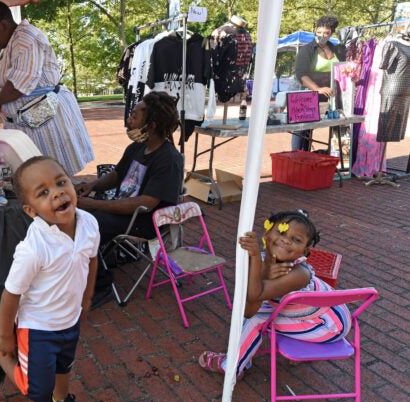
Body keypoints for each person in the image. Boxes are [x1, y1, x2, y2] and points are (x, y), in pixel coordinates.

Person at [0, 156, 99, 402]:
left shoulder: (89, 223)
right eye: (43, 192)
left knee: (63, 367)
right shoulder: (34, 249)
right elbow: (11, 293)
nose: (56, 193)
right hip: (38, 328)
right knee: (37, 391)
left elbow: (92, 260)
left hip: (70, 319)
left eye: (60, 182)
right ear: (31, 210)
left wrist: (87, 298)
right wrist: (5, 337)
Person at [198, 210, 352, 379]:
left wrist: (255, 258)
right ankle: (242, 356)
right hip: (304, 312)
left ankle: (232, 367)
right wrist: (259, 264)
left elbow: (255, 296)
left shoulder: (298, 274)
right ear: (267, 232)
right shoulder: (263, 259)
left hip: (328, 324)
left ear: (305, 251)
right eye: (281, 232)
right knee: (250, 314)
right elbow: (249, 308)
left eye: (296, 240)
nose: (286, 240)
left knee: (257, 321)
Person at [75, 91, 184, 307]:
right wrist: (92, 186)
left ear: (151, 125)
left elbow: (145, 204)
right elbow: (117, 175)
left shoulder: (169, 159)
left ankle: (101, 284)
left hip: (144, 221)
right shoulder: (137, 147)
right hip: (124, 212)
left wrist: (95, 204)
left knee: (84, 226)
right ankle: (85, 273)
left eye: (134, 116)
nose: (129, 120)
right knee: (74, 218)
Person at [0, 0, 94, 176]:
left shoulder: (25, 39)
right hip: (27, 122)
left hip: (43, 120)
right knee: (36, 177)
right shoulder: (12, 41)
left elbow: (19, 84)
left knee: (52, 176)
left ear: (3, 24)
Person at [292, 15, 346, 151]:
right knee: (302, 130)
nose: (322, 35)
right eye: (319, 32)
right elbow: (301, 74)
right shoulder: (307, 50)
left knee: (337, 127)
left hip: (331, 94)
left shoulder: (338, 50)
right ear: (315, 31)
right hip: (307, 92)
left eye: (326, 33)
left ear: (331, 33)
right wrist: (317, 89)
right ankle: (298, 157)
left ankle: (332, 158)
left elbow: (344, 69)